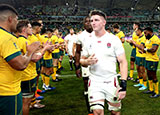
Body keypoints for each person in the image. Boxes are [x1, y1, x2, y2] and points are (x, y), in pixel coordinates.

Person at [80, 10, 128, 115]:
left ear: (104, 22)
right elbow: (81, 60)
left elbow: (123, 61)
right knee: (97, 111)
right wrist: (87, 61)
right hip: (94, 82)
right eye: (92, 20)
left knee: (115, 112)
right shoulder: (87, 40)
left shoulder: (114, 39)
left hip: (111, 81)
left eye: (96, 20)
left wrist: (123, 85)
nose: (93, 23)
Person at [0, 4, 40, 115]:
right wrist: (30, 51)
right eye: (16, 20)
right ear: (10, 19)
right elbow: (20, 65)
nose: (17, 23)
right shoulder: (7, 38)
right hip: (7, 92)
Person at [75, 16, 93, 115]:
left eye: (90, 21)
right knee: (86, 82)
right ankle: (89, 106)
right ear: (83, 24)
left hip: (97, 64)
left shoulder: (99, 34)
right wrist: (77, 66)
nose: (88, 23)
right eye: (86, 22)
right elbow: (77, 52)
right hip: (85, 63)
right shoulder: (80, 36)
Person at [143, 27, 160, 98]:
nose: (145, 34)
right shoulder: (148, 39)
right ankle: (151, 89)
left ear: (150, 32)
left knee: (153, 75)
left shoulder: (155, 39)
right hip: (147, 59)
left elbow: (153, 49)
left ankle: (156, 92)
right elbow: (146, 49)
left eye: (145, 33)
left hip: (153, 60)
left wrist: (145, 49)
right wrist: (144, 50)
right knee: (149, 74)